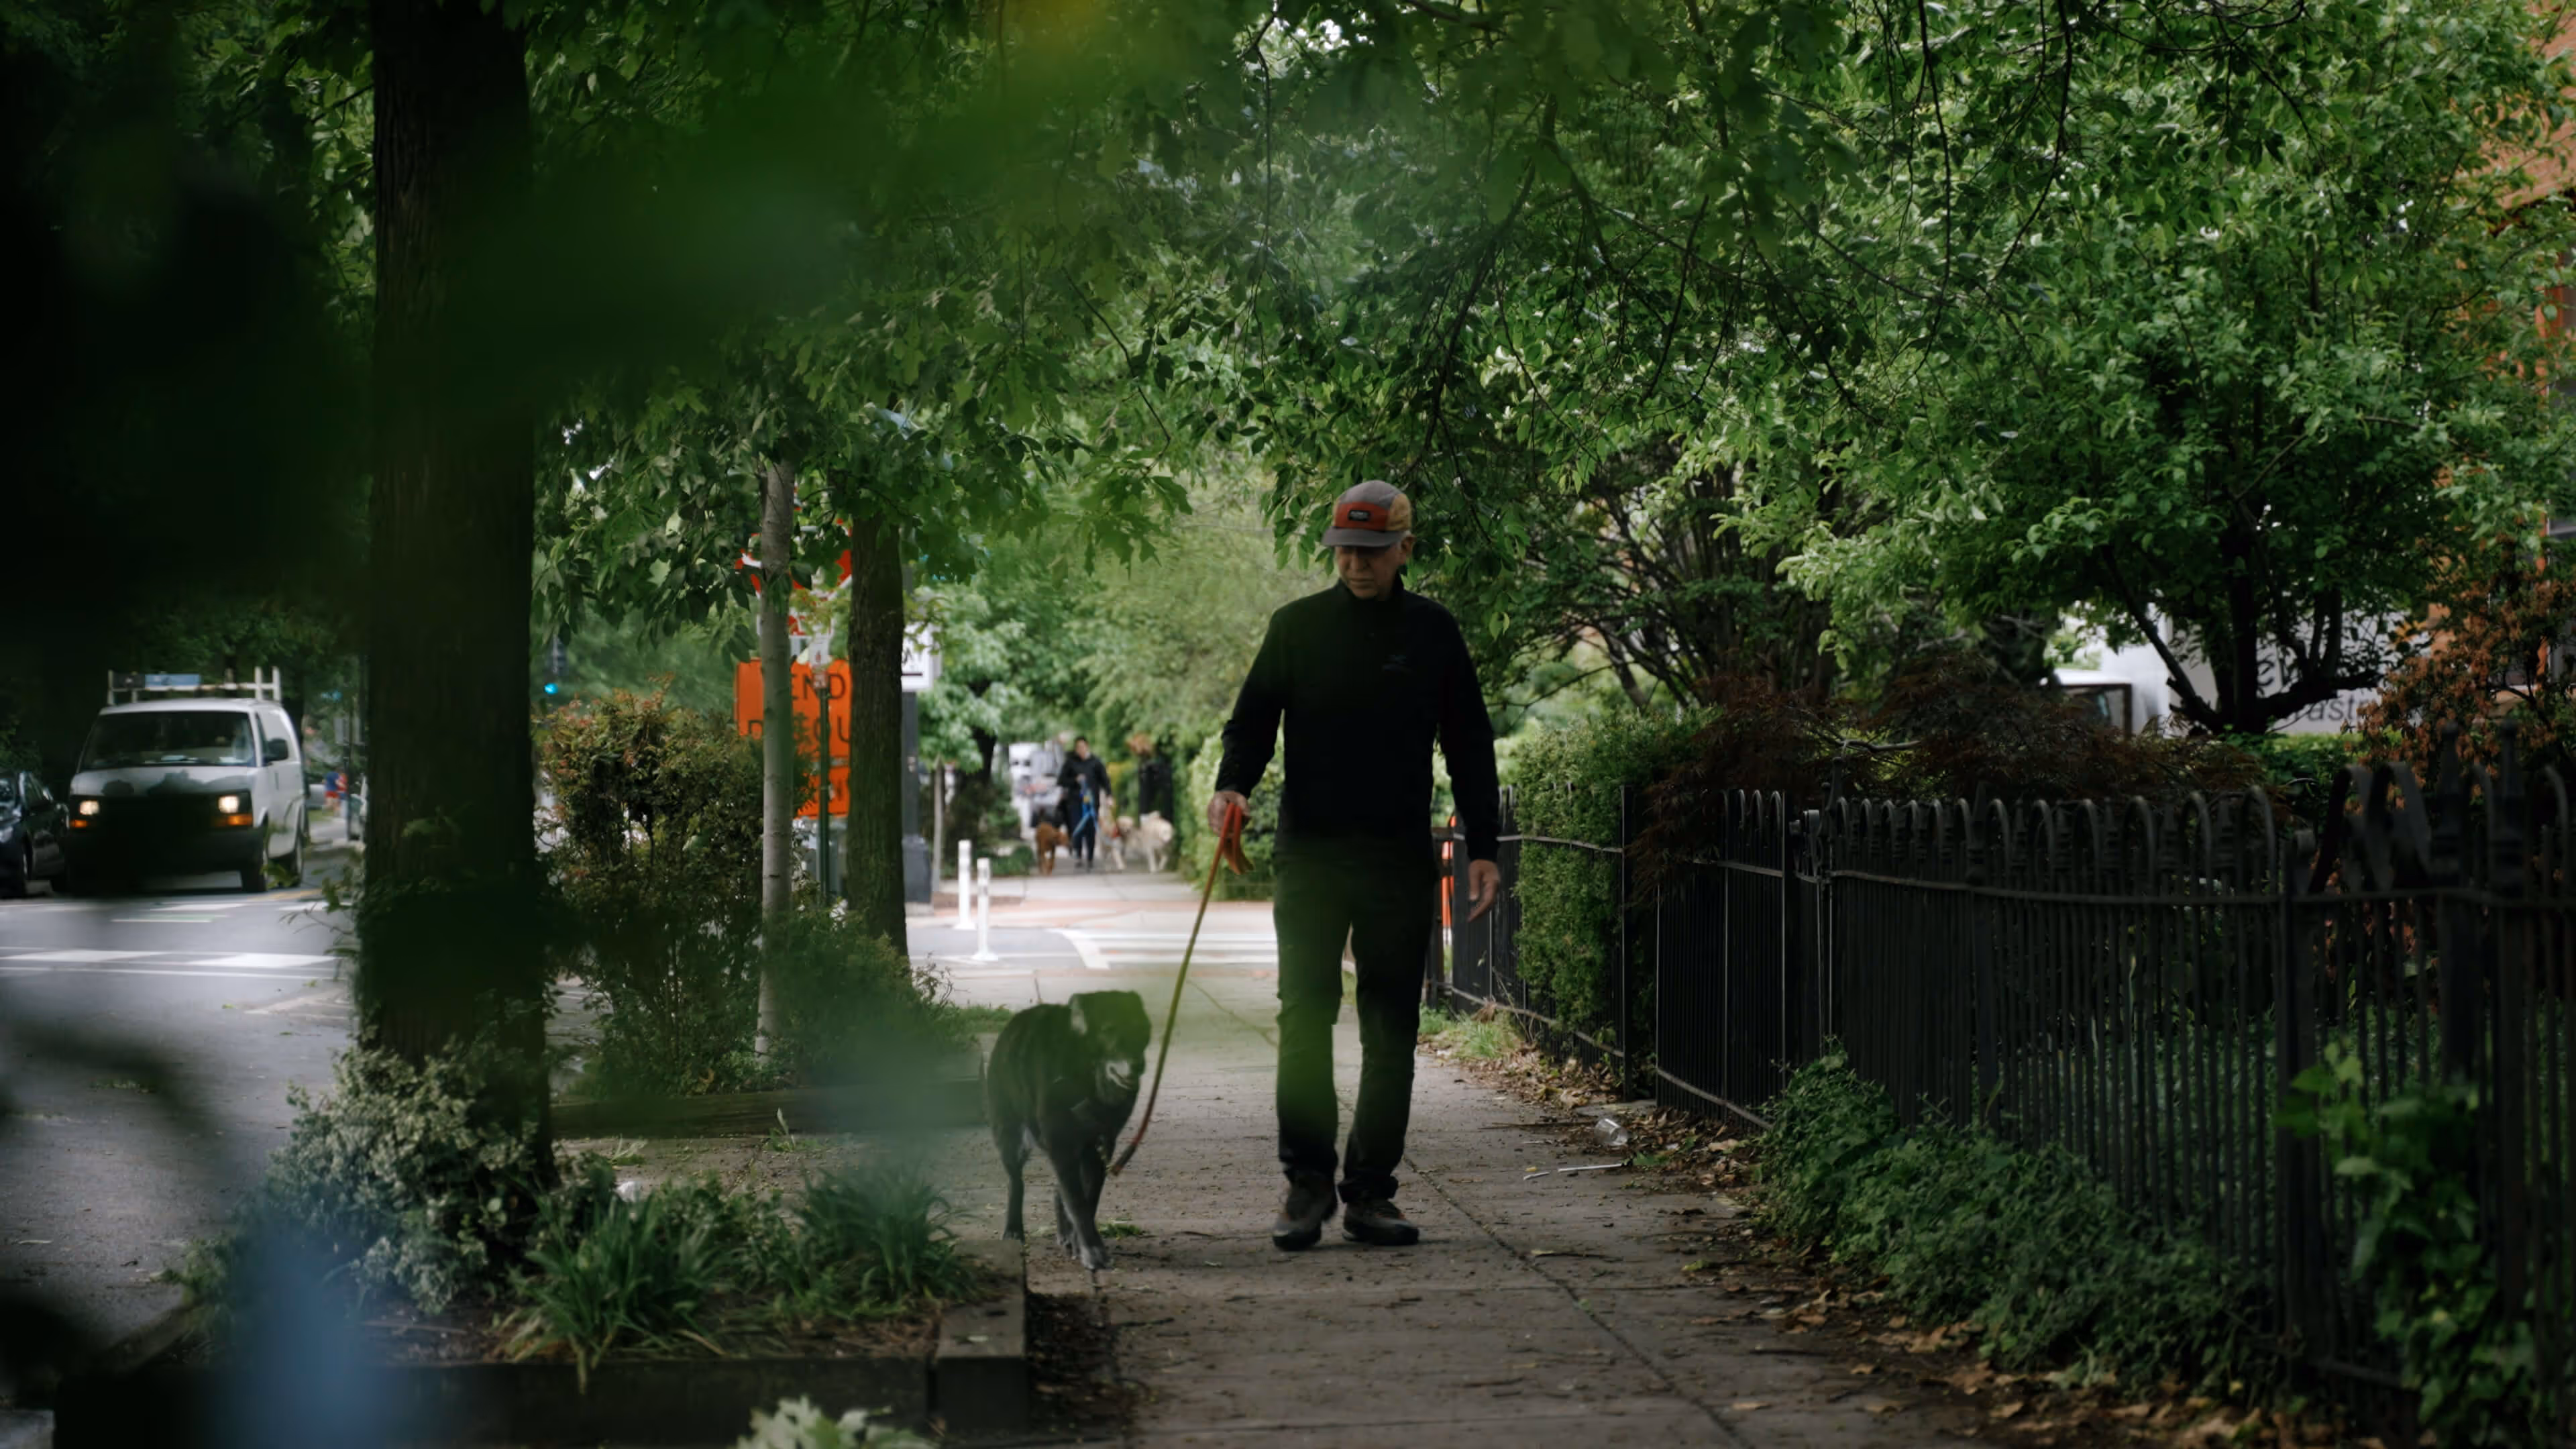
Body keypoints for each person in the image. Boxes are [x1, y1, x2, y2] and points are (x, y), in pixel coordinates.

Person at [1210, 479, 1501, 1251]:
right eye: (1345, 550)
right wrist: (1231, 786)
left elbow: (1470, 744)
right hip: (1309, 855)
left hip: (1396, 858)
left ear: (1404, 549)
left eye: (1372, 552)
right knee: (1304, 1017)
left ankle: (1370, 1191)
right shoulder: (1297, 628)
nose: (1357, 565)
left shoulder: (1433, 633)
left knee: (1391, 1027)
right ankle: (1306, 1186)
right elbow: (1252, 723)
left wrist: (1486, 848)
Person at [1057, 737, 1111, 870]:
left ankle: (1091, 857)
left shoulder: (1095, 762)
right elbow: (1061, 780)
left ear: (1087, 747)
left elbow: (1105, 780)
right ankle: (1078, 855)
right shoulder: (1071, 762)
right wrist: (1075, 780)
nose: (1080, 750)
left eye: (1082, 747)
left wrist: (1110, 795)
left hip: (1092, 802)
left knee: (1090, 830)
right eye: (1078, 747)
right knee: (1077, 828)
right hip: (1075, 801)